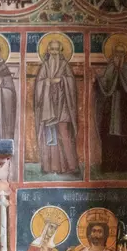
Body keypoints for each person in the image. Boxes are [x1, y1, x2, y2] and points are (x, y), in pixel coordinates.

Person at [96, 41, 127, 176]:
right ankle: (109, 165)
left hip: (125, 107)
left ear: (126, 55)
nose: (119, 56)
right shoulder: (110, 68)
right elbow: (104, 84)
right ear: (113, 54)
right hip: (110, 107)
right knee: (109, 136)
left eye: (122, 53)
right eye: (117, 53)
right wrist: (97, 80)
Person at [34, 37, 80, 175]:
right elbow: (38, 84)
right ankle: (51, 167)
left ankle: (72, 166)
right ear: (48, 50)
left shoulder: (65, 65)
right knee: (51, 136)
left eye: (56, 49)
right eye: (52, 49)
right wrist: (47, 82)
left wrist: (62, 80)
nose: (54, 52)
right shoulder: (45, 66)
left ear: (60, 51)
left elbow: (71, 83)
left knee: (64, 134)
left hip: (63, 106)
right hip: (49, 107)